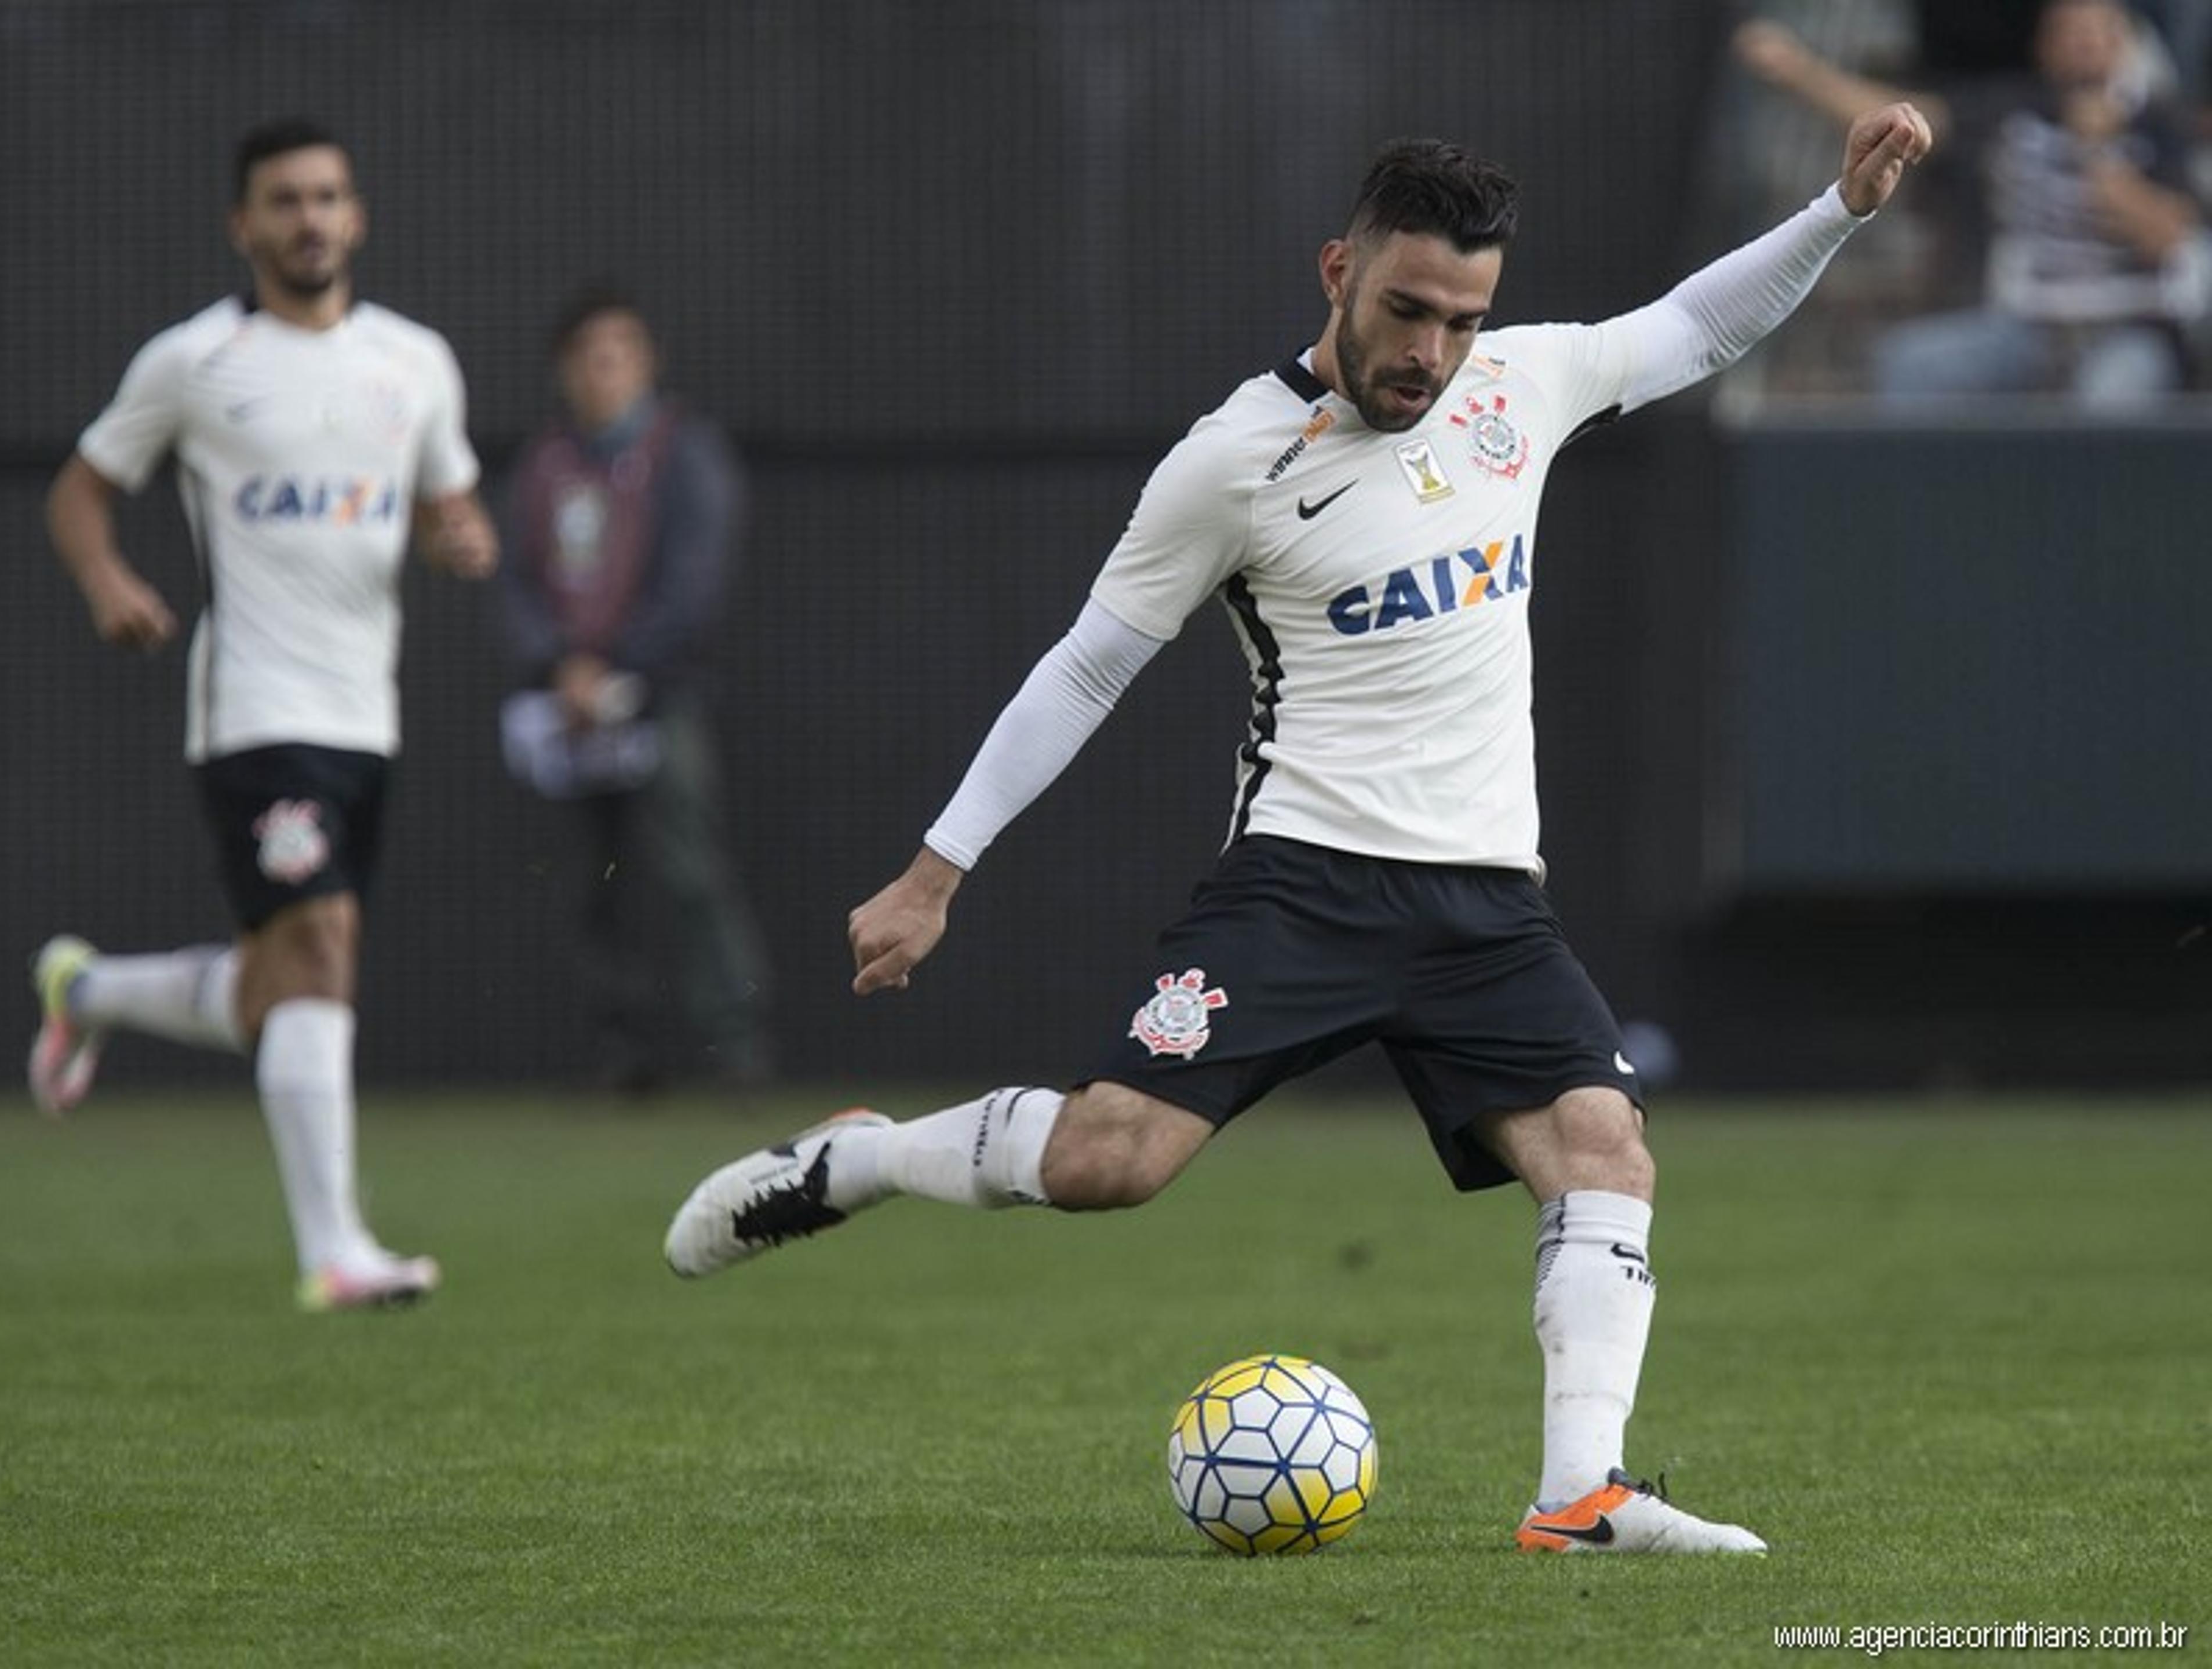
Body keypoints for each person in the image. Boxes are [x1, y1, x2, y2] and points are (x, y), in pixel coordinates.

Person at [665, 107, 1932, 1553]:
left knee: (1604, 1150)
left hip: (1485, 905)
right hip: (1301, 886)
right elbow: (1087, 664)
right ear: (1336, 268)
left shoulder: (1518, 387)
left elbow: (1689, 330)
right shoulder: (1230, 462)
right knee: (1106, 1164)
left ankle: (1578, 1492)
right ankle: (860, 1159)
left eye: (1461, 318)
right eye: (1404, 309)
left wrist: (1836, 210)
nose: (1430, 351)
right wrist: (931, 872)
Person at [32, 117, 497, 1313]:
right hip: (253, 708)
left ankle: (86, 992)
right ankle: (334, 1249)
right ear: (244, 226)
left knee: (277, 986)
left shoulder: (414, 363)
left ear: (358, 217)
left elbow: (455, 517)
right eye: (285, 200)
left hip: (365, 717)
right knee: (323, 950)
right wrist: (108, 581)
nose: (310, 219)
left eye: (328, 197)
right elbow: (82, 490)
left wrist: (464, 541)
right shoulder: (196, 362)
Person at [498, 287, 773, 1094]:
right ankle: (623, 1052)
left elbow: (695, 581)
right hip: (570, 713)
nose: (606, 369)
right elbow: (515, 581)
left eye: (620, 352)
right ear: (565, 369)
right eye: (590, 354)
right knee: (595, 884)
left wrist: (620, 665)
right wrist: (561, 666)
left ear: (645, 362)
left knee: (689, 871)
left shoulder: (684, 450)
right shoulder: (545, 464)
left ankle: (737, 1045)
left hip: (660, 702)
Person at [1735, 0, 2208, 406]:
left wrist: (2097, 156)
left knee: (2106, 401)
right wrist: (1798, 71)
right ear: (2044, 48)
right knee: (1911, 365)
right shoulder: (2013, 110)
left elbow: (2169, 242)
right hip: (2029, 328)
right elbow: (1902, 120)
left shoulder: (2157, 121)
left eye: (2096, 32)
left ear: (2122, 43)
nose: (2084, 45)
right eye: (2070, 33)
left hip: (2128, 330)